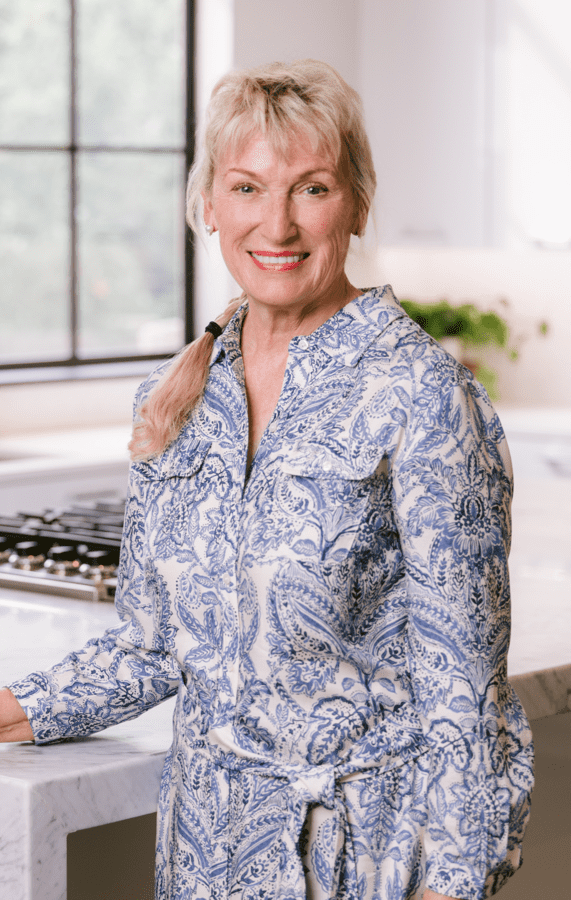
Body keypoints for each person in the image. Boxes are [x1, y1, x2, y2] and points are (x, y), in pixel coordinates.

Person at [0, 60, 533, 900]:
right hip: (204, 851)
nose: (276, 223)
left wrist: (452, 883)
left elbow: (463, 698)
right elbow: (151, 646)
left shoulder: (420, 396)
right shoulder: (177, 399)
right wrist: (15, 706)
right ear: (208, 205)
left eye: (310, 188)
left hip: (360, 858)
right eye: (246, 187)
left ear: (355, 204)